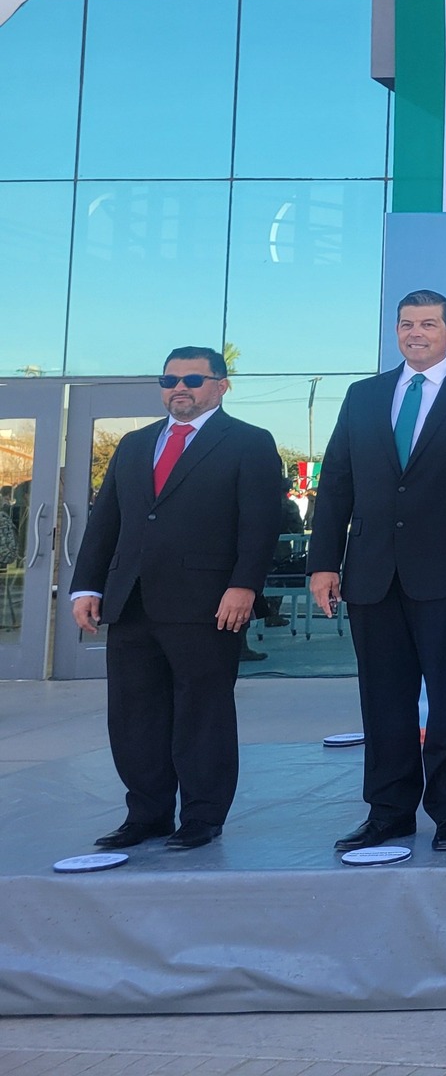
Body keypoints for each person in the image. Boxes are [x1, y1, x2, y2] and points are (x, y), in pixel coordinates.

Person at [310, 290, 446, 854]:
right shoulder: (364, 396)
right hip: (371, 576)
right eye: (407, 324)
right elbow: (335, 484)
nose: (416, 333)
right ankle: (388, 814)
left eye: (428, 324)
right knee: (382, 700)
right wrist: (323, 563)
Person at [70, 347, 281, 851]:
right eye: (169, 379)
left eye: (192, 378)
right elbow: (108, 521)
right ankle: (147, 814)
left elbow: (261, 523)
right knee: (133, 714)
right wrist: (87, 585)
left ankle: (202, 817)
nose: (178, 387)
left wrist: (244, 585)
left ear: (221, 385)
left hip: (207, 603)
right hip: (132, 601)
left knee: (201, 712)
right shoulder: (135, 443)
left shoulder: (249, 443)